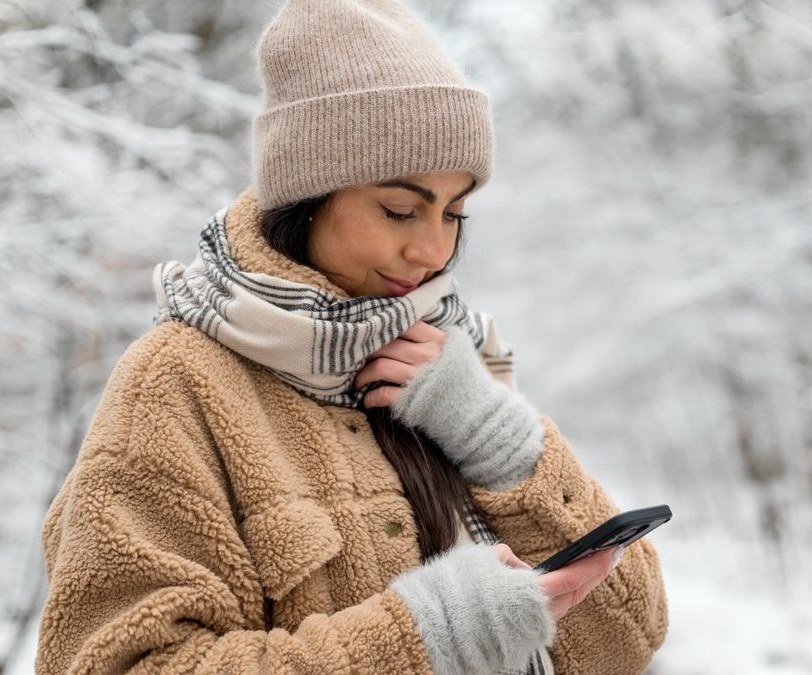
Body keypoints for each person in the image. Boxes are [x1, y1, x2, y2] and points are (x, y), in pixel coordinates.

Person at [34, 1, 668, 673]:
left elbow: (630, 637)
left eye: (454, 213)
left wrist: (500, 440)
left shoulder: (453, 354)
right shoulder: (176, 383)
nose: (432, 251)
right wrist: (426, 636)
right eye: (400, 209)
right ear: (308, 195)